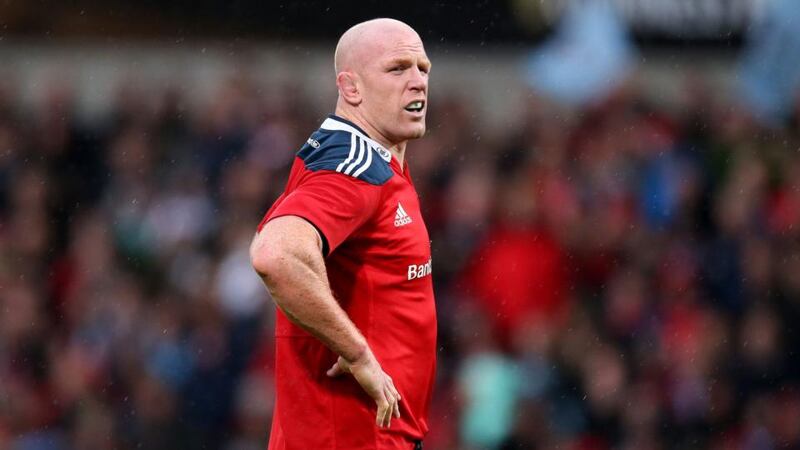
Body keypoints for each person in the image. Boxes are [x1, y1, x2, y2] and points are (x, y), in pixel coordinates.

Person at [250, 18, 436, 450]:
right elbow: (276, 255)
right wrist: (358, 353)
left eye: (423, 68)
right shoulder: (355, 169)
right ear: (350, 88)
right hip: (349, 437)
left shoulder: (367, 158)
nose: (418, 81)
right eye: (397, 69)